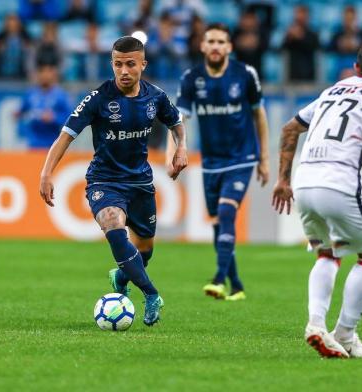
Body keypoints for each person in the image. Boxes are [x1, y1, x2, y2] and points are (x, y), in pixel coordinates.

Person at [39, 36, 188, 326]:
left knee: (143, 252)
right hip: (104, 181)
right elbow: (65, 136)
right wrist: (46, 173)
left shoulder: (155, 97)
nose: (124, 71)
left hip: (140, 183)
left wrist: (181, 147)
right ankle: (151, 293)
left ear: (143, 65)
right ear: (112, 64)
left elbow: (176, 122)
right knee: (112, 223)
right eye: (118, 64)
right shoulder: (98, 98)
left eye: (130, 64)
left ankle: (121, 275)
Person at [272, 44, 362, 358]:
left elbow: (290, 128)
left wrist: (283, 179)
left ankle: (315, 323)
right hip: (341, 183)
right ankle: (347, 334)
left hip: (306, 182)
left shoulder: (332, 91)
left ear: (356, 66)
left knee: (327, 254)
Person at [166, 23, 269, 301]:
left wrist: (263, 158)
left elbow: (259, 115)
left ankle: (219, 279)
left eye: (221, 42)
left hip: (241, 158)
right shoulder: (191, 78)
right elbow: (178, 121)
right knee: (217, 223)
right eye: (210, 41)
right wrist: (171, 155)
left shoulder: (245, 74)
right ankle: (236, 285)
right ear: (202, 46)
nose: (215, 46)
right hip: (211, 161)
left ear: (229, 47)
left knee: (226, 213)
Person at [17, 62, 72, 148]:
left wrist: (54, 118)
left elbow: (70, 118)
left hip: (53, 142)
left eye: (48, 71)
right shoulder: (30, 93)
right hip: (33, 142)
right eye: (41, 71)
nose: (44, 75)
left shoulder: (61, 95)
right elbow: (22, 112)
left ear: (53, 74)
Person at [281, 5, 319, 82]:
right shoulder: (289, 33)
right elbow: (282, 49)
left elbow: (314, 47)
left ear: (307, 16)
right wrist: (289, 38)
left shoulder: (313, 33)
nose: (299, 17)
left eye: (302, 14)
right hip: (292, 74)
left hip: (309, 74)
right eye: (298, 14)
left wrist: (301, 37)